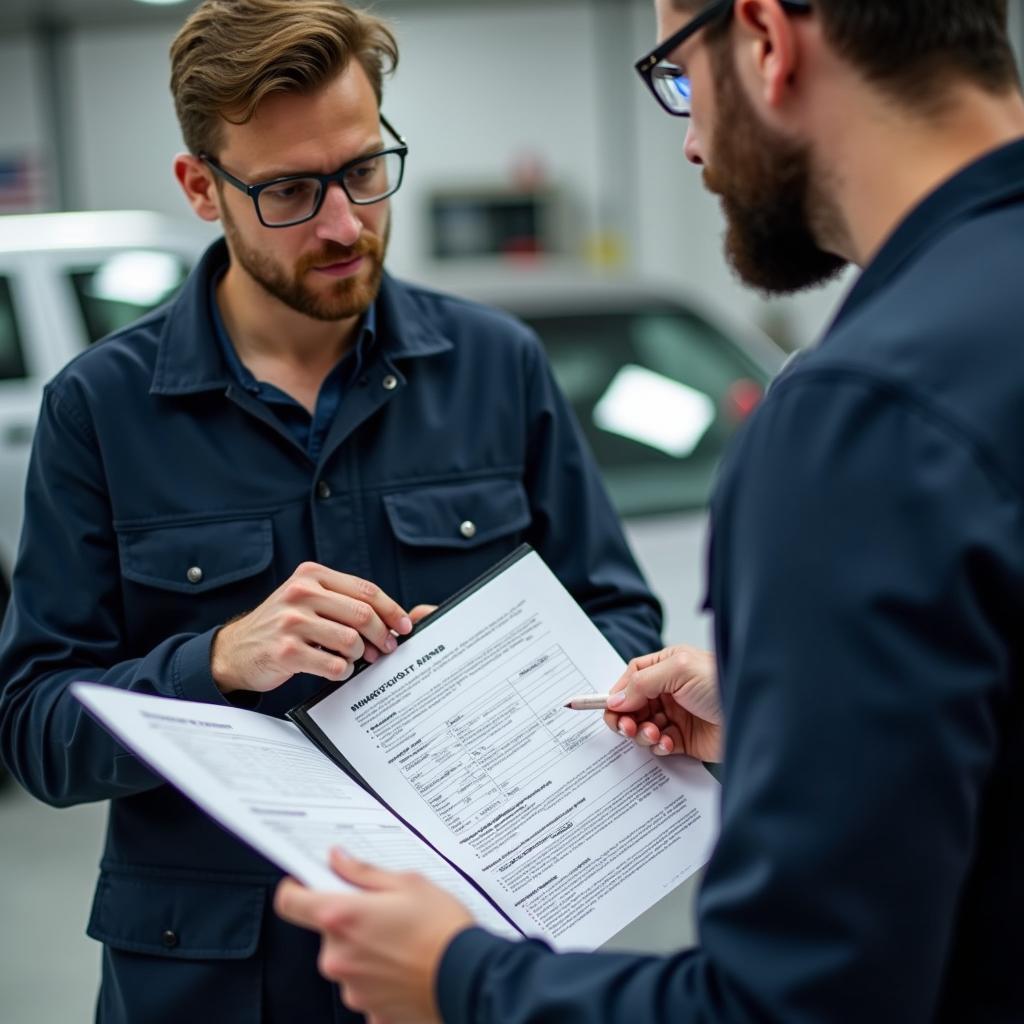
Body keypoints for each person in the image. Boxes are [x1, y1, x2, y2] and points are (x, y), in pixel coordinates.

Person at [274, 1, 1024, 1021]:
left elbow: (793, 1002)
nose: (690, 141)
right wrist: (786, 717)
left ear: (764, 37)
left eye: (678, 74)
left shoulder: (859, 418)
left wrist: (460, 977)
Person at [0, 1, 664, 1020]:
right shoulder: (99, 412)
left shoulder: (498, 368)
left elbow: (620, 620)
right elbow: (35, 730)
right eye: (290, 192)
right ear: (199, 188)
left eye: (362, 170)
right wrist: (213, 661)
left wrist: (492, 673)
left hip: (459, 958)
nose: (345, 223)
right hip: (210, 981)